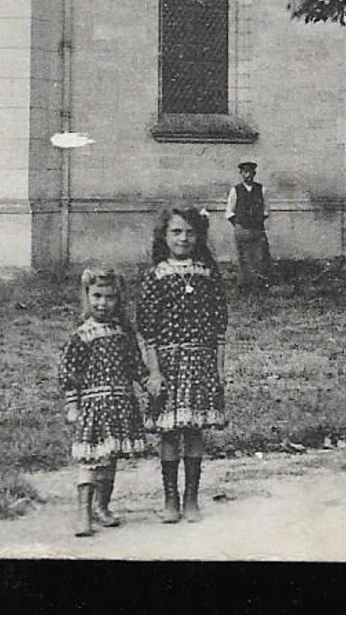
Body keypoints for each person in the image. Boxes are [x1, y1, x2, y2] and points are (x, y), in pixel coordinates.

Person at [137, 206, 228, 524]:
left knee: (193, 430)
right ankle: (170, 499)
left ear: (199, 236)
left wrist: (217, 369)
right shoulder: (156, 275)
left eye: (190, 232)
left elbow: (219, 327)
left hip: (200, 361)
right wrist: (154, 371)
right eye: (176, 231)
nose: (183, 238)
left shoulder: (208, 273)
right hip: (167, 363)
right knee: (168, 431)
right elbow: (147, 329)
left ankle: (191, 497)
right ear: (164, 236)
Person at [58, 267, 150, 537]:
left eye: (110, 297)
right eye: (97, 296)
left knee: (109, 459)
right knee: (90, 459)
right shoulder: (82, 335)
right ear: (86, 296)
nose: (102, 303)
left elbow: (135, 365)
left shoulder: (123, 333)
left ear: (118, 300)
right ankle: (83, 513)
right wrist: (72, 405)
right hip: (93, 408)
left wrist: (149, 384)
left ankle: (102, 506)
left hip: (120, 404)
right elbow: (68, 372)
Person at [224, 161, 271, 290]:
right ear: (241, 174)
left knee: (260, 255)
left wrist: (258, 221)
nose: (248, 175)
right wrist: (238, 224)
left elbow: (266, 210)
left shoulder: (262, 189)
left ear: (254, 174)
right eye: (245, 172)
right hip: (241, 229)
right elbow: (229, 211)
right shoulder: (235, 190)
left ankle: (260, 283)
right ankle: (245, 285)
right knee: (243, 256)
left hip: (257, 228)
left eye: (250, 172)